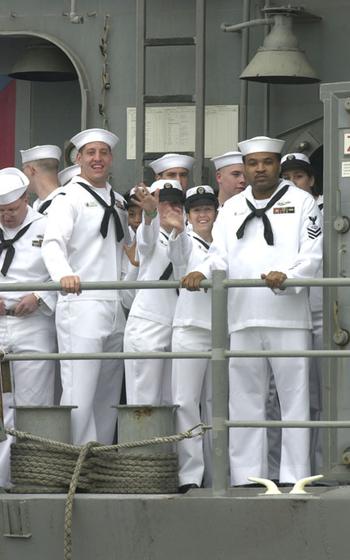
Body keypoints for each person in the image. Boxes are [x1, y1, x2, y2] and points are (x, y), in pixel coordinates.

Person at [182, 136, 323, 485]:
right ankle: (248, 477)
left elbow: (314, 252)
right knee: (244, 401)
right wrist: (205, 270)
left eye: (267, 162)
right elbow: (220, 254)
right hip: (242, 315)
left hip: (287, 315)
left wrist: (289, 276)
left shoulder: (302, 201)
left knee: (294, 398)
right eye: (253, 163)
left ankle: (295, 475)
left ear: (277, 165)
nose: (260, 169)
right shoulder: (231, 208)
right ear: (245, 168)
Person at [42, 128, 130, 445]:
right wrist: (64, 275)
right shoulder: (69, 198)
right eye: (90, 153)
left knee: (108, 390)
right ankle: (77, 461)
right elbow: (52, 244)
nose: (97, 159)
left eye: (103, 153)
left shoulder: (118, 200)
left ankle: (101, 459)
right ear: (78, 159)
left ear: (111, 159)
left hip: (113, 302)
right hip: (81, 301)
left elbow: (126, 251)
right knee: (80, 388)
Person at [0, 167, 57, 487]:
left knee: (34, 404)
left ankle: (33, 476)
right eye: (1, 212)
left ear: (26, 199)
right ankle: (3, 478)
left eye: (12, 209)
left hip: (33, 323)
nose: (7, 217)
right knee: (2, 407)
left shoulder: (47, 227)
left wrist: (38, 296)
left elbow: (63, 273)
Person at [167, 185, 218, 492]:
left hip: (220, 330)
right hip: (188, 328)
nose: (202, 214)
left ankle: (217, 473)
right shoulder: (185, 239)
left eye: (207, 209)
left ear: (216, 212)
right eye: (196, 210)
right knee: (185, 402)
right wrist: (175, 229)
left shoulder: (227, 240)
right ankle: (190, 475)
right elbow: (176, 252)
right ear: (188, 215)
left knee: (216, 405)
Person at [281, 152, 323, 474]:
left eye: (300, 176)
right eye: (289, 177)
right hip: (288, 312)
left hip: (326, 312)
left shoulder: (326, 209)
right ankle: (278, 468)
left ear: (311, 181)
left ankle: (321, 466)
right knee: (286, 398)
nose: (295, 182)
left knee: (324, 395)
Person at [124, 179, 184, 405]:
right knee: (144, 400)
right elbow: (146, 241)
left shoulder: (188, 235)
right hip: (148, 323)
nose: (172, 209)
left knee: (174, 401)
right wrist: (149, 214)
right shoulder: (148, 231)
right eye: (165, 203)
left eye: (177, 203)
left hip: (178, 324)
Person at [20, 144, 63, 214]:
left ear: (31, 170)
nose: (23, 173)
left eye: (23, 169)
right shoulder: (37, 205)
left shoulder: (64, 203)